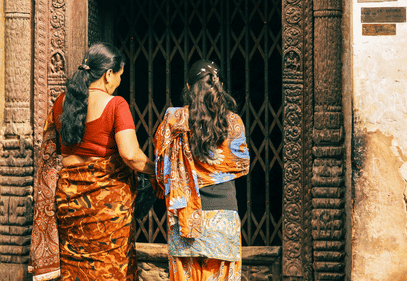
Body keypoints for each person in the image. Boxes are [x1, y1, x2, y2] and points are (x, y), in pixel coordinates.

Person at [29, 42, 155, 281]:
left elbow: (50, 154)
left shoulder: (61, 103)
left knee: (74, 269)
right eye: (119, 75)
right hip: (106, 211)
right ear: (108, 74)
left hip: (69, 204)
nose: (119, 82)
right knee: (108, 271)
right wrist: (156, 170)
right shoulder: (116, 104)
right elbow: (130, 155)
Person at [153, 60, 250, 281]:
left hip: (185, 218)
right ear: (219, 85)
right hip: (223, 217)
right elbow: (242, 165)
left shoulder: (174, 119)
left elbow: (162, 170)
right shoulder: (234, 122)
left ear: (188, 87)